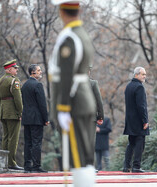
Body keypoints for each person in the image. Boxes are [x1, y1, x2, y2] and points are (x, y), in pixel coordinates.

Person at [49, 0, 97, 186]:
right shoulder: (82, 34)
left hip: (73, 102)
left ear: (62, 11)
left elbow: (66, 75)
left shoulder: (69, 37)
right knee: (84, 154)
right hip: (83, 99)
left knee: (77, 156)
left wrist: (62, 107)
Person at [21, 64, 50, 173]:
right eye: (38, 70)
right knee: (36, 142)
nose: (40, 72)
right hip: (36, 119)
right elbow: (42, 104)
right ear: (33, 72)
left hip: (26, 118)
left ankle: (27, 166)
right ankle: (36, 166)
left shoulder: (24, 86)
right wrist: (45, 118)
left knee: (28, 142)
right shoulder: (38, 85)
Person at [0, 59, 23, 170]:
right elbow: (18, 99)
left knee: (6, 137)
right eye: (15, 68)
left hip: (3, 111)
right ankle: (11, 163)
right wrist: (20, 111)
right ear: (9, 69)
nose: (17, 70)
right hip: (13, 112)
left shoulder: (0, 80)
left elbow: (0, 97)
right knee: (13, 138)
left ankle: (4, 162)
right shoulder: (14, 81)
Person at [123, 67, 150, 173]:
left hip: (130, 120)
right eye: (143, 74)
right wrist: (145, 120)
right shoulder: (139, 87)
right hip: (139, 121)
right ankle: (136, 167)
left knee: (131, 143)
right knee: (140, 143)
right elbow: (141, 106)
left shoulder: (128, 86)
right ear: (136, 75)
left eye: (145, 74)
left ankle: (126, 166)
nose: (144, 76)